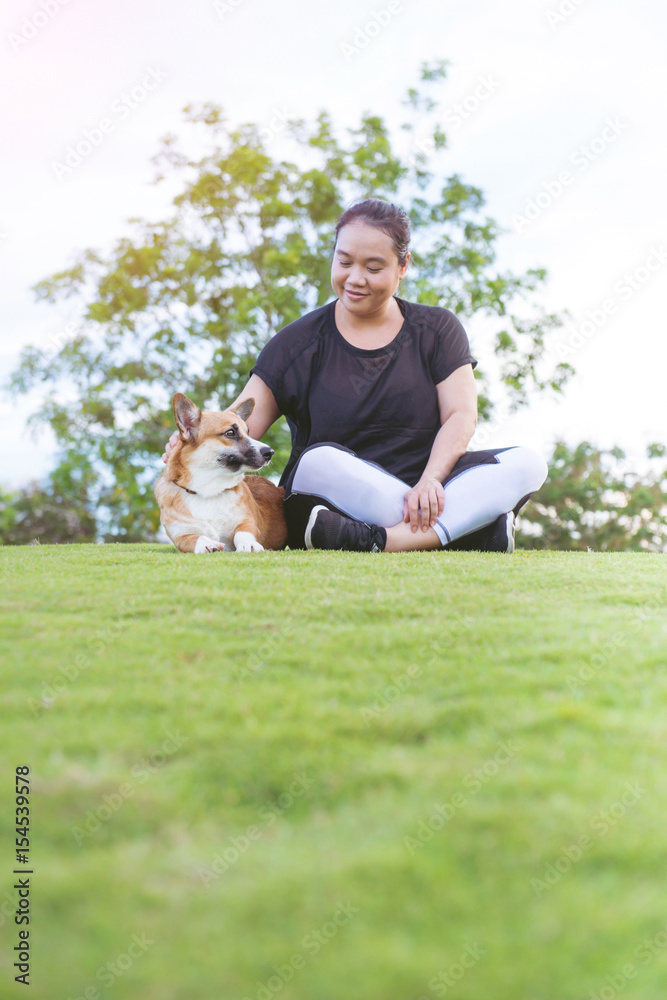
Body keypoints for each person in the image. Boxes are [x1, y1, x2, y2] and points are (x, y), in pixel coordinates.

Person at [162, 198, 548, 553]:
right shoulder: (295, 343)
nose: (355, 278)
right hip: (336, 492)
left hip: (427, 490)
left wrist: (430, 481)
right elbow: (235, 426)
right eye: (344, 262)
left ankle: (381, 539)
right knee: (319, 461)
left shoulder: (438, 329)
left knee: (528, 464)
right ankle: (472, 531)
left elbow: (460, 415)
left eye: (374, 267)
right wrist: (189, 443)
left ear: (404, 266)